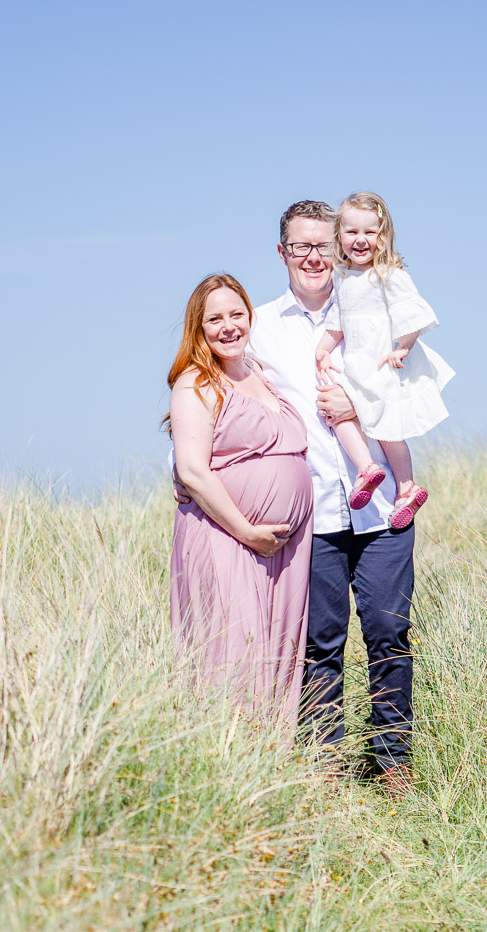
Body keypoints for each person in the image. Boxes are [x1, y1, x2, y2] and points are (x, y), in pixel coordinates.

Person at [247, 201, 420, 795]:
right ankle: (325, 767)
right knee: (319, 642)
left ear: (341, 247)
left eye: (324, 245)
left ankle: (393, 760)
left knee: (388, 630)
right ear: (283, 253)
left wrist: (361, 410)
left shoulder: (375, 303)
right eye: (302, 246)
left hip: (383, 509)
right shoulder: (260, 328)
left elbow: (414, 390)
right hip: (312, 512)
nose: (315, 257)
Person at [168, 273, 313, 730]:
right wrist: (247, 530)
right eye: (215, 319)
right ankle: (225, 766)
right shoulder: (195, 383)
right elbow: (193, 470)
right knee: (233, 651)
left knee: (280, 651)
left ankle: (272, 765)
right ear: (199, 327)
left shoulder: (263, 376)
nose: (228, 326)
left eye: (236, 314)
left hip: (286, 547)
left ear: (251, 317)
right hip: (225, 536)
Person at [315, 191, 455, 528]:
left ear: (383, 235)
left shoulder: (388, 273)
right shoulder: (342, 276)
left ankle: (406, 487)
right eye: (351, 232)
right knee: (338, 414)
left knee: (389, 429)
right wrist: (322, 348)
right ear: (339, 236)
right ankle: (368, 469)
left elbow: (413, 313)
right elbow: (338, 321)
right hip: (358, 363)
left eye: (369, 232)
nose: (360, 240)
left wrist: (403, 347)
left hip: (382, 361)